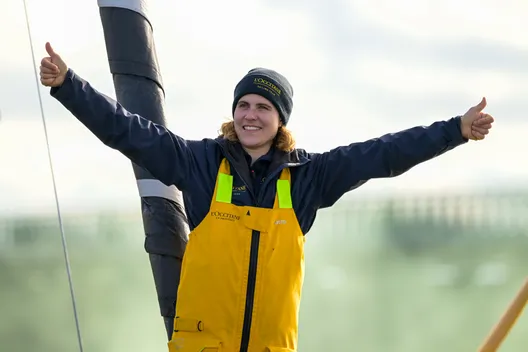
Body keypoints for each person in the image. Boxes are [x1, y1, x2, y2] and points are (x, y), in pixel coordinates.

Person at [39, 41, 494, 352]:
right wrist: (67, 84)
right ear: (232, 112)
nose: (250, 115)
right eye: (243, 105)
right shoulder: (199, 162)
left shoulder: (307, 178)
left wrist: (455, 130)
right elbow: (126, 130)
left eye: (263, 107)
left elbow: (384, 154)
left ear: (280, 120)